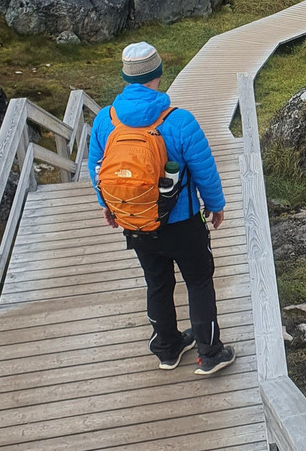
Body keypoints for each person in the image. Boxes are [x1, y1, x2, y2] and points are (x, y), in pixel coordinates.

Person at [88, 42, 236, 376]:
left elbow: (96, 167)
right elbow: (204, 170)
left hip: (137, 222)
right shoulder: (179, 121)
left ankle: (167, 348)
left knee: (157, 283)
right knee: (198, 281)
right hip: (182, 223)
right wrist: (216, 206)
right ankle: (210, 353)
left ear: (126, 76)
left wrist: (106, 205)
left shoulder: (104, 120)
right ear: (158, 74)